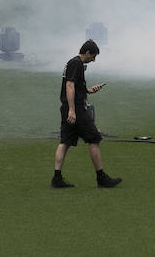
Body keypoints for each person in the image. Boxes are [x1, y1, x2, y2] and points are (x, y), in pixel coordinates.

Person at [52, 38, 121, 188]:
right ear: (87, 52)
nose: (94, 60)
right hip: (75, 109)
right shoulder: (77, 63)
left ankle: (56, 178)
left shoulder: (73, 63)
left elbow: (74, 86)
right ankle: (101, 178)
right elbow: (69, 85)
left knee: (65, 142)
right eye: (93, 56)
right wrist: (72, 110)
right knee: (94, 138)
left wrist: (88, 90)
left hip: (68, 107)